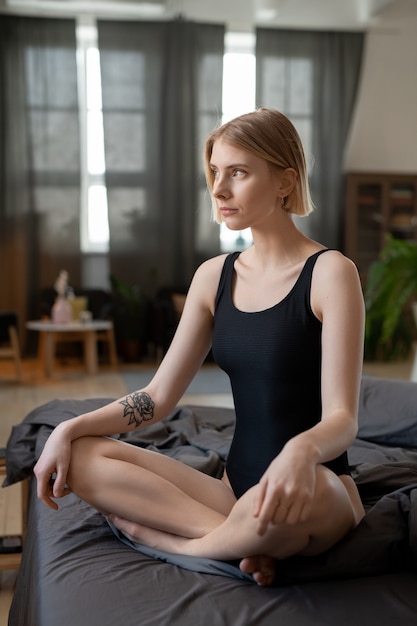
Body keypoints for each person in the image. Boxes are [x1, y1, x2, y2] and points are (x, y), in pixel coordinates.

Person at [34, 108, 365, 587]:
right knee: (81, 455)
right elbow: (158, 398)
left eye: (239, 172)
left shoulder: (332, 273)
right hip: (234, 495)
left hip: (318, 490)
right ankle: (242, 542)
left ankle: (179, 544)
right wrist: (70, 426)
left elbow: (343, 419)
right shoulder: (213, 277)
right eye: (215, 172)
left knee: (278, 506)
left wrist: (299, 453)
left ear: (285, 181)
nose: (219, 189)